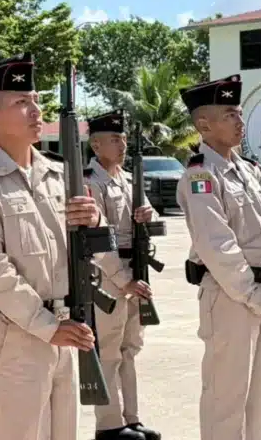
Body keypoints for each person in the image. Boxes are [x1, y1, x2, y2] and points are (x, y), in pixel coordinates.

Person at [0, 53, 116, 440]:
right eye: (21, 102)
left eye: (36, 100)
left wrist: (95, 221)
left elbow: (95, 250)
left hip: (69, 328)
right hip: (20, 336)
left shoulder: (60, 174)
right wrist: (47, 326)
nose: (36, 110)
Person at [176, 74, 261, 440]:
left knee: (256, 398)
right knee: (226, 400)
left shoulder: (249, 170)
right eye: (230, 114)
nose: (240, 121)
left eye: (240, 113)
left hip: (260, 293)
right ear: (204, 125)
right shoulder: (201, 175)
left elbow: (256, 232)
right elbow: (218, 247)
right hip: (231, 296)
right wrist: (257, 298)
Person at [84, 109, 160, 440]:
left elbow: (152, 225)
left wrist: (149, 215)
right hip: (108, 275)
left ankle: (132, 418)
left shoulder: (129, 180)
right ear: (96, 145)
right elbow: (97, 240)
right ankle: (109, 424)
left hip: (135, 269)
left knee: (130, 348)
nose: (122, 145)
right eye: (115, 139)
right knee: (109, 350)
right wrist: (122, 279)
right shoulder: (90, 182)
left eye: (124, 139)